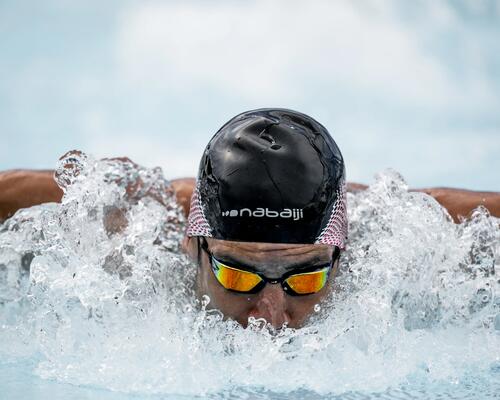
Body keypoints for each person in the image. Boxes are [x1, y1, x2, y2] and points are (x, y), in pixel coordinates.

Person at [1, 108, 499, 329]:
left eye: (306, 279)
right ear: (191, 245)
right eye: (237, 274)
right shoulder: (135, 222)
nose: (270, 315)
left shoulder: (398, 230)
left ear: (341, 254)